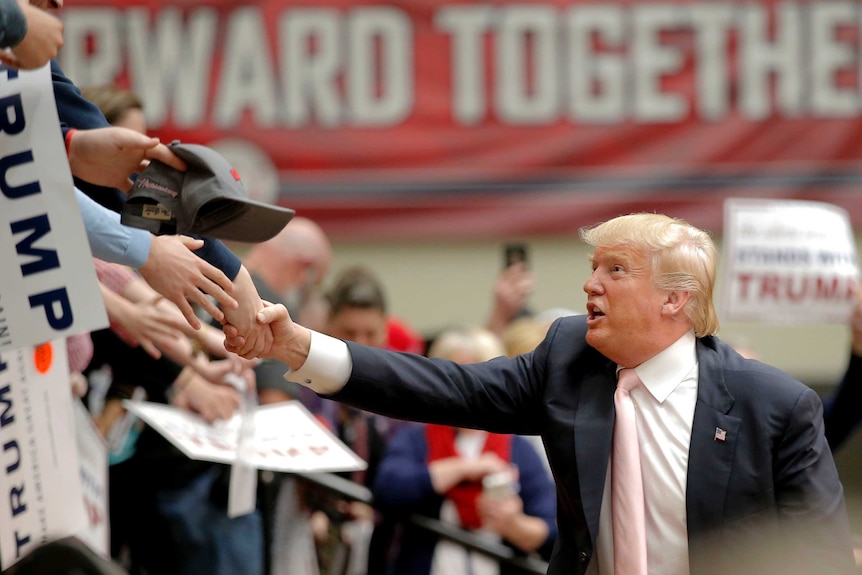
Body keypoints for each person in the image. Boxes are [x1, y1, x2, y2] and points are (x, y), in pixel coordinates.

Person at [226, 212, 855, 575]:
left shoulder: (773, 405)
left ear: (675, 299)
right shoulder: (567, 358)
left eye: (615, 271)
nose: (590, 286)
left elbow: (821, 555)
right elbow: (443, 386)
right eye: (592, 268)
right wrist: (295, 347)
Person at [371, 325, 557, 575]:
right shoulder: (416, 439)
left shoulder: (517, 447)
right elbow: (387, 488)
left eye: (476, 375)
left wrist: (514, 524)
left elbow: (551, 528)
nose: (465, 388)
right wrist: (465, 469)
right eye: (453, 376)